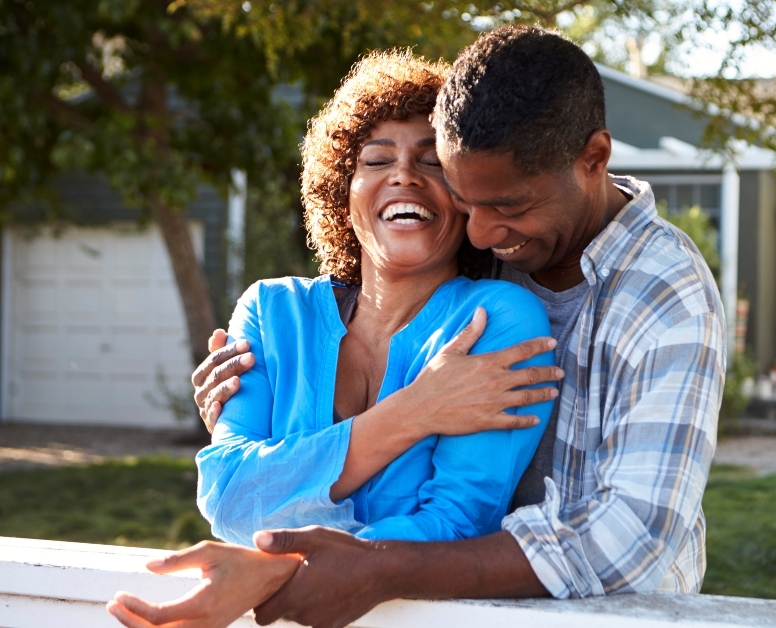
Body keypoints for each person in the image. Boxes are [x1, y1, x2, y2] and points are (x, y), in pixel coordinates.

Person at [111, 25, 725, 628]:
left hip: (614, 616)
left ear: (593, 159)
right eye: (468, 198)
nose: (484, 231)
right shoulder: (282, 309)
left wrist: (310, 562)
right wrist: (415, 411)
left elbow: (626, 537)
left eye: (506, 205)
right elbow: (227, 493)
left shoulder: (653, 296)